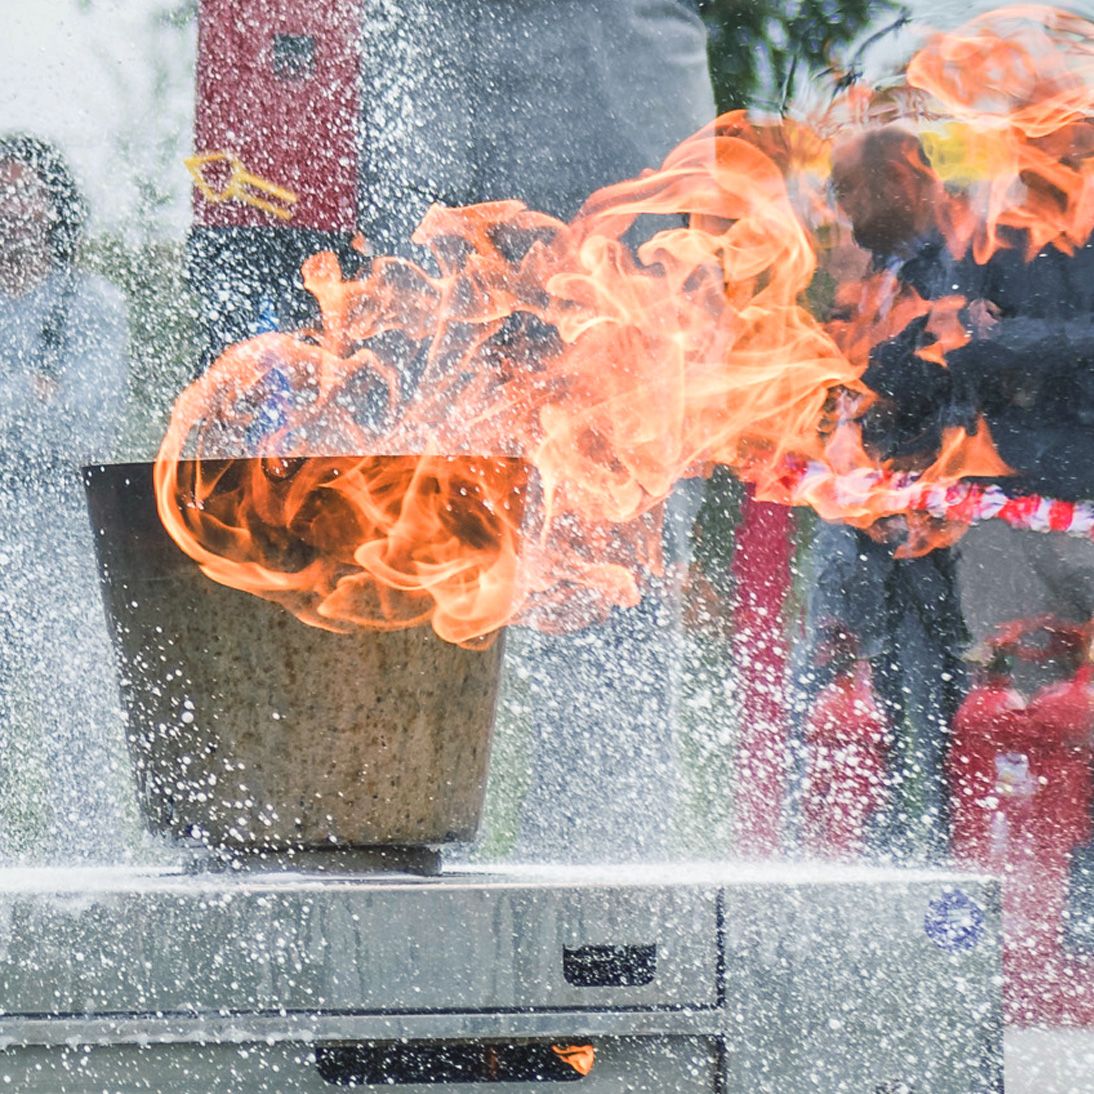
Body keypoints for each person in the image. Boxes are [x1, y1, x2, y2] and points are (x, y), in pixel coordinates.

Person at [358, 0, 716, 861]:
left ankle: (602, 881)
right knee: (415, 549)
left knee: (611, 560)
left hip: (618, 121)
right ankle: (394, 845)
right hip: (434, 118)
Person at [0, 134, 132, 858]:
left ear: (55, 206)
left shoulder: (93, 304)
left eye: (26, 191)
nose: (10, 208)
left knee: (74, 722)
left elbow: (89, 418)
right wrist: (31, 394)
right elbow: (50, 414)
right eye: (0, 191)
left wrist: (22, 407)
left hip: (59, 543)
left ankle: (92, 875)